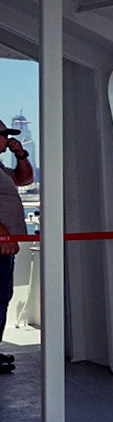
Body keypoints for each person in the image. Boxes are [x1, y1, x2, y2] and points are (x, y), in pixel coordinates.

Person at [0, 125, 34, 375]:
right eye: (4, 136)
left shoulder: (0, 168)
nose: (7, 140)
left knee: (2, 297)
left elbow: (25, 179)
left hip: (6, 246)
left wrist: (20, 155)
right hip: (2, 243)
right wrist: (2, 233)